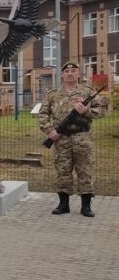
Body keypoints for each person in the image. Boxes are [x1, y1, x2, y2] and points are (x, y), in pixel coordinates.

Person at [38, 60, 108, 217]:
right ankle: (63, 205)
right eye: (67, 71)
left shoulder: (87, 92)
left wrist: (86, 111)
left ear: (78, 74)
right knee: (63, 171)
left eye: (73, 71)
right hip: (61, 139)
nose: (70, 73)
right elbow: (42, 114)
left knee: (85, 170)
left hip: (82, 137)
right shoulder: (53, 94)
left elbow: (102, 111)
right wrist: (50, 131)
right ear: (63, 74)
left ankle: (86, 206)